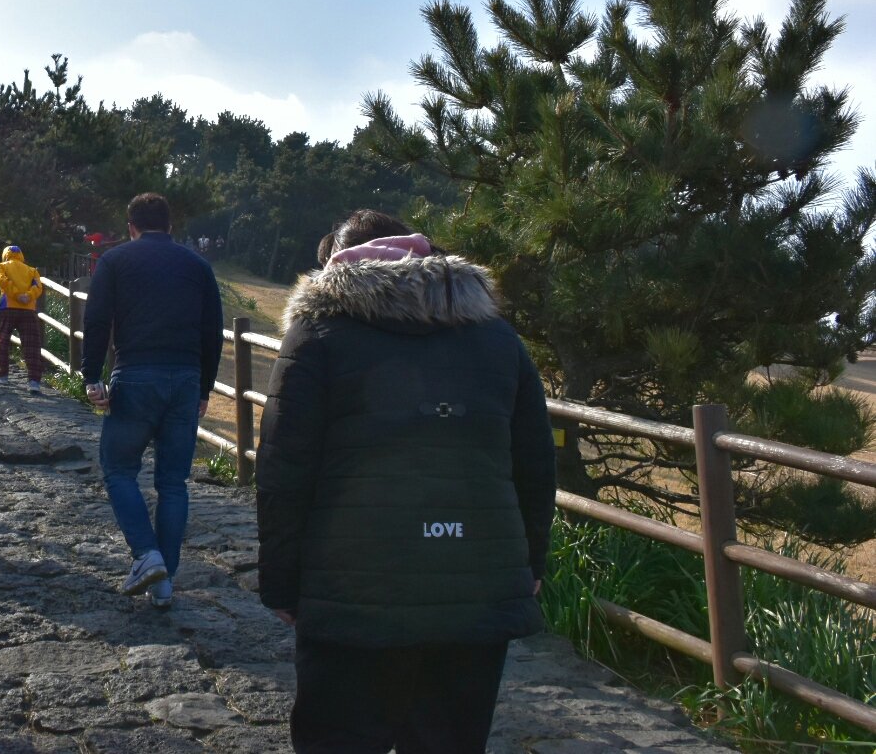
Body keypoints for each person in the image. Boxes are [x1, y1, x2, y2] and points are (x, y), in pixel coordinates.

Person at [255, 209, 556, 753]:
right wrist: (532, 561)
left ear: (337, 263)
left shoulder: (318, 334)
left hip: (352, 590)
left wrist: (280, 580)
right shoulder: (497, 337)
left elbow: (284, 468)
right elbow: (534, 462)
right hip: (474, 585)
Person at [81, 193, 223, 611]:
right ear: (171, 225)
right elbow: (212, 330)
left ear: (131, 227)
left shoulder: (115, 261)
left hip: (136, 375)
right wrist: (204, 388)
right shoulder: (197, 265)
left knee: (118, 469)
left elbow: (97, 319)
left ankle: (146, 553)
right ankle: (165, 583)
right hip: (185, 379)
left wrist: (91, 375)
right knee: (173, 483)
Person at [0, 245, 45, 393]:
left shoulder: (2, 266)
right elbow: (38, 287)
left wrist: (16, 294)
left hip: (8, 307)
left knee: (3, 341)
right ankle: (34, 381)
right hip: (28, 310)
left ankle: (3, 374)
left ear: (5, 255)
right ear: (21, 256)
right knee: (32, 345)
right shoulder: (32, 270)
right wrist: (28, 296)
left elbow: (2, 281)